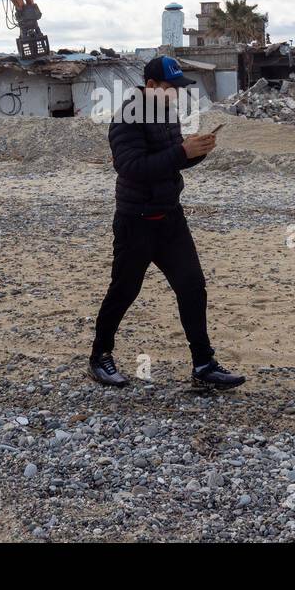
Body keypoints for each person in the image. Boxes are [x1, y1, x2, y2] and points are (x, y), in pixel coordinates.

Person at [89, 56, 245, 389]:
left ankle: (203, 365)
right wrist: (181, 153)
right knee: (124, 290)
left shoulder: (166, 113)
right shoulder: (127, 118)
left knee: (192, 287)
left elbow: (170, 162)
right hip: (136, 220)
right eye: (171, 88)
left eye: (178, 89)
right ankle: (99, 356)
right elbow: (131, 167)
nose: (176, 94)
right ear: (150, 86)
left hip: (170, 217)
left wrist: (196, 151)